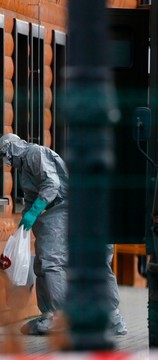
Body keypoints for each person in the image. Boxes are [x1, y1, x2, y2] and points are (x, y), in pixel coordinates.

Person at [0, 133, 128, 336]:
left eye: (4, 154)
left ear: (11, 148)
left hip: (66, 208)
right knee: (49, 263)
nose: (6, 161)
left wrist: (34, 213)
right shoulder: (25, 168)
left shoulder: (35, 153)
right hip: (68, 209)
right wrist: (26, 220)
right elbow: (32, 197)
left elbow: (52, 185)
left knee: (55, 262)